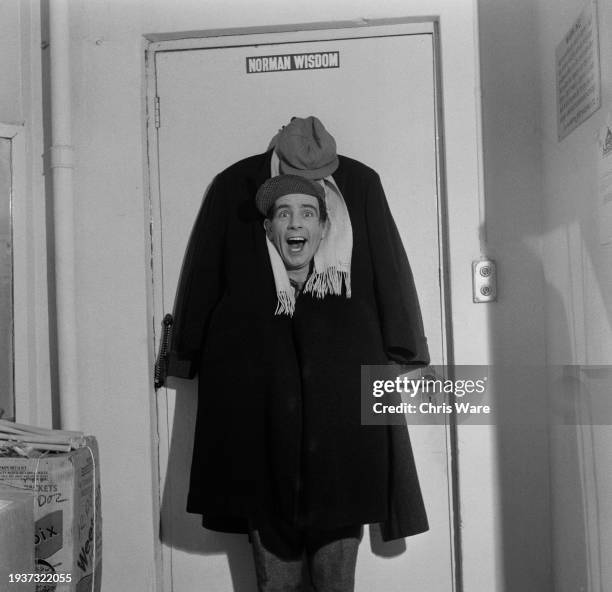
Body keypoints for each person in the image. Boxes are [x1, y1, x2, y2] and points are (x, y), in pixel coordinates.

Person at [163, 116, 430, 591]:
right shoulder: (234, 186)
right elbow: (206, 268)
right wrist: (187, 352)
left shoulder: (362, 185)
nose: (295, 222)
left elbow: (388, 266)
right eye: (284, 213)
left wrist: (403, 347)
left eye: (308, 210)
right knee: (273, 567)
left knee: (337, 562)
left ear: (326, 215)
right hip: (261, 411)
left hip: (342, 409)